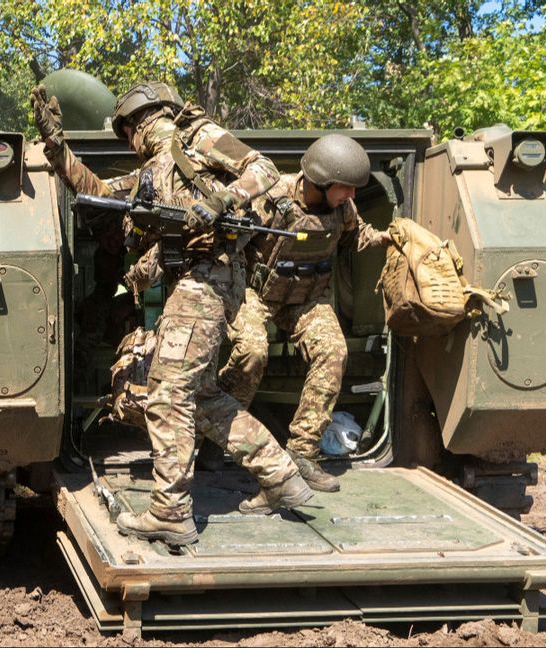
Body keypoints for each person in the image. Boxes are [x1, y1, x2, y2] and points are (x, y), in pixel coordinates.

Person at [31, 81, 313, 547]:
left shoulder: (199, 135)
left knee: (166, 394)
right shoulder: (149, 173)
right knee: (202, 396)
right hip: (195, 283)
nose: (129, 143)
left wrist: (220, 202)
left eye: (127, 133)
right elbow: (98, 192)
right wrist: (57, 146)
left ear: (143, 120)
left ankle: (170, 511)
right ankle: (281, 476)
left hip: (207, 279)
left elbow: (262, 167)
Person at [216, 134, 392, 493]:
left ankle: (302, 453)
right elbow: (228, 243)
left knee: (333, 351)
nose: (352, 195)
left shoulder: (343, 209)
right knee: (252, 352)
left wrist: (392, 237)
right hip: (256, 293)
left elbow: (358, 236)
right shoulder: (270, 196)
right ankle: (216, 436)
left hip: (305, 299)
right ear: (321, 181)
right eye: (346, 187)